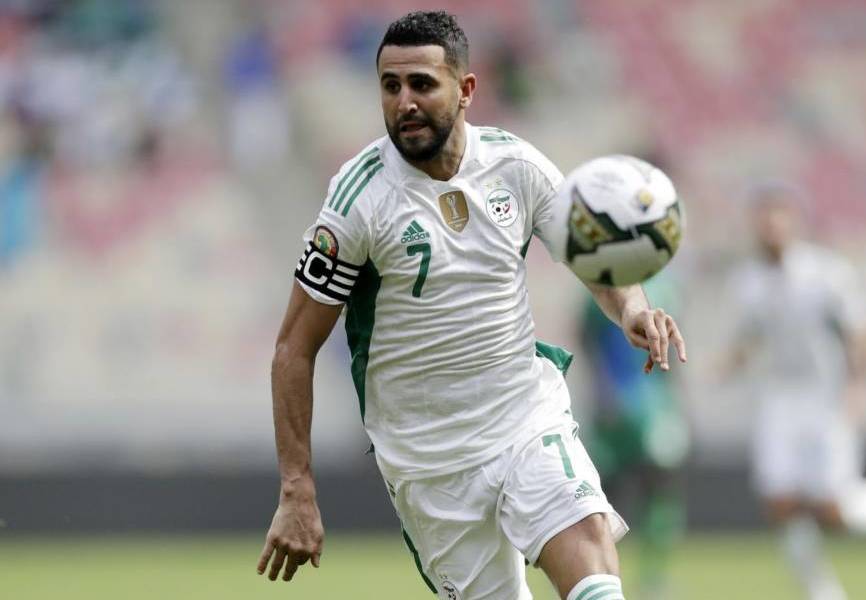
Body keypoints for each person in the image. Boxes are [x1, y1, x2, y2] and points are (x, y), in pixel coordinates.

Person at [256, 11, 686, 600]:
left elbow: (593, 255)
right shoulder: (357, 200)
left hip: (523, 419)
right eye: (390, 86)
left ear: (466, 89)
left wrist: (633, 307)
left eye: (421, 84)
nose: (404, 102)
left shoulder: (517, 166)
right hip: (430, 464)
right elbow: (293, 349)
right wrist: (296, 488)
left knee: (591, 560)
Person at [722, 181, 866, 600]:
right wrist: (724, 366)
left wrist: (858, 385)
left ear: (794, 222)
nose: (770, 226)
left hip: (824, 395)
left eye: (778, 217)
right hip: (778, 399)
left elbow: (861, 331)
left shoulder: (826, 272)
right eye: (763, 218)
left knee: (835, 510)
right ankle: (821, 590)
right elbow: (751, 335)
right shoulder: (748, 281)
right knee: (780, 501)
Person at [581, 271, 688, 600]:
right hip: (616, 407)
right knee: (599, 499)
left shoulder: (668, 289)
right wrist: (603, 390)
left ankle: (653, 578)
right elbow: (588, 340)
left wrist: (676, 403)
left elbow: (675, 352)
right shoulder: (603, 283)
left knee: (660, 489)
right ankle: (596, 573)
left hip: (655, 407)